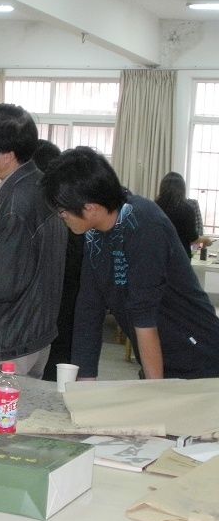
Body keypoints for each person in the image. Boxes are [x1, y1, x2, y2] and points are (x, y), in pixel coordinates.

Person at [41, 146, 219, 380]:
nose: (61, 216)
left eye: (63, 211)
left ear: (91, 207)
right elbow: (88, 309)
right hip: (158, 356)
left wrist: (152, 389)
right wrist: (84, 385)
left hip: (200, 359)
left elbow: (145, 318)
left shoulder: (144, 224)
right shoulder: (94, 234)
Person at [0, 104, 67, 377]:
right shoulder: (41, 185)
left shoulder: (15, 205)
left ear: (7, 155)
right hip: (32, 335)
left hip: (7, 342)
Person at [33, 140, 84, 382]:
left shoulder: (63, 212)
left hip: (62, 304)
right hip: (65, 304)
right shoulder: (62, 208)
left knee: (56, 367)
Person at [155, 172, 210, 257]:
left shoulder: (154, 206)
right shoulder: (187, 209)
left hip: (158, 254)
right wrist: (205, 240)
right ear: (182, 189)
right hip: (180, 256)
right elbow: (193, 239)